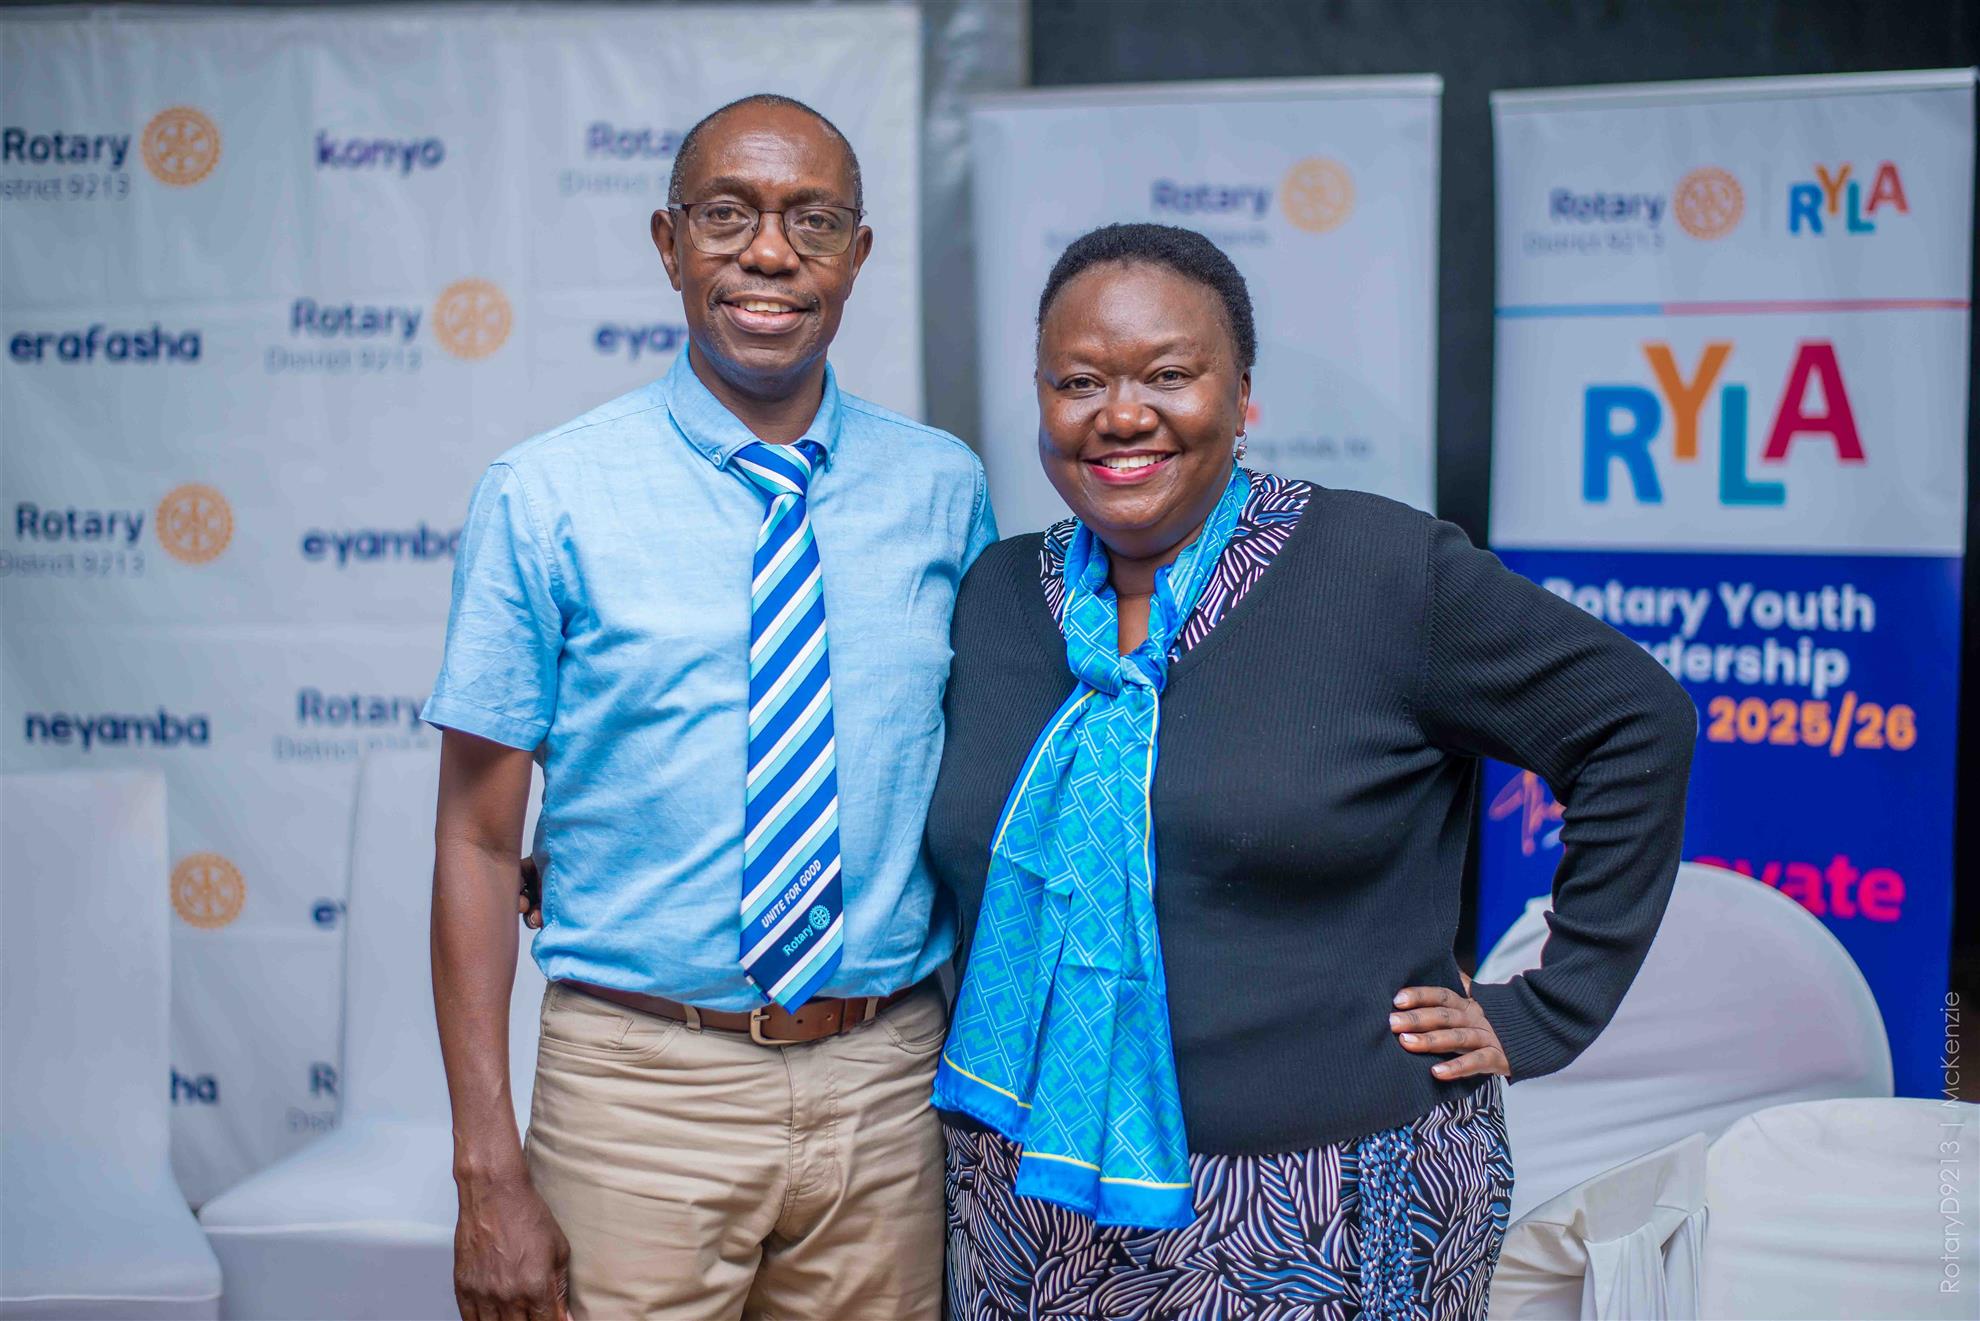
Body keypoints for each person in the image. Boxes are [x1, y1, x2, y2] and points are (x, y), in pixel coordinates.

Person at [924, 223, 1696, 1319]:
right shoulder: (997, 597)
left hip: (1322, 1216)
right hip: (1026, 1212)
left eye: (1169, 375)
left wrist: (1549, 1007)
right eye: (1080, 381)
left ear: (1243, 397)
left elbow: (1634, 723)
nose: (1122, 414)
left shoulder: (1381, 573)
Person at [425, 93, 993, 1321]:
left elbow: (973, 781)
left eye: (813, 220)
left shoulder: (945, 488)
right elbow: (475, 840)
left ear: (858, 254)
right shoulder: (545, 495)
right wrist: (484, 1169)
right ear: (670, 243)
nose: (770, 252)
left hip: (889, 1083)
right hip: (640, 1092)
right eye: (728, 215)